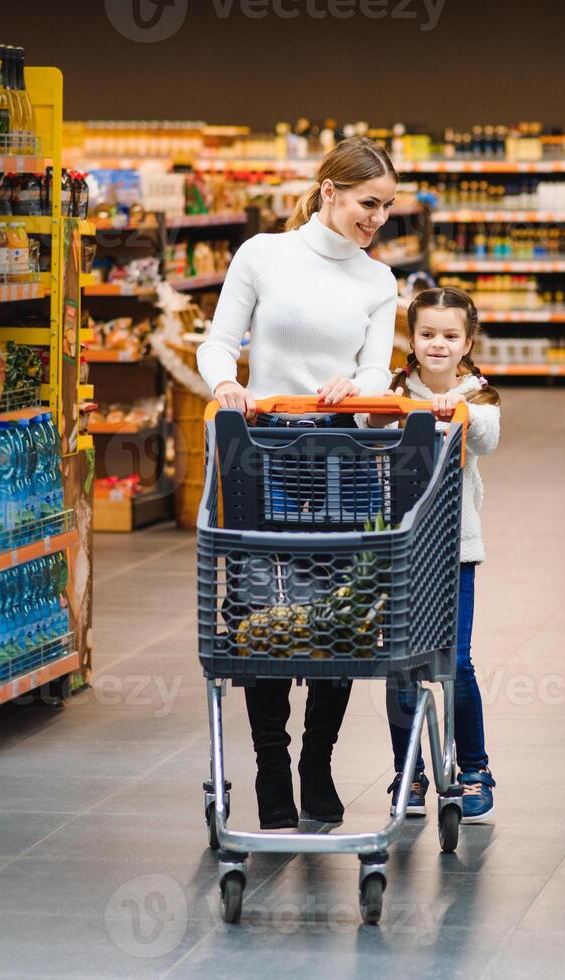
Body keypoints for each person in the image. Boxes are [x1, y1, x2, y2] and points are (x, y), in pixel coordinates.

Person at [196, 136, 399, 829]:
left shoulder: (379, 281)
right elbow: (219, 341)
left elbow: (377, 371)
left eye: (387, 208)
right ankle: (272, 765)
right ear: (330, 192)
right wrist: (225, 383)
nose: (377, 219)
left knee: (339, 615)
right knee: (263, 613)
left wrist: (359, 385)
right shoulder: (264, 255)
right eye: (368, 204)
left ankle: (319, 760)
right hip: (263, 451)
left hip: (341, 457)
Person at [366, 286, 501, 823]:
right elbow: (365, 422)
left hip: (452, 549)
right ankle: (409, 771)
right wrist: (392, 410)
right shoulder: (395, 387)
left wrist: (456, 410)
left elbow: (487, 437)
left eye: (449, 335)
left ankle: (473, 768)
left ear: (467, 341)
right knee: (401, 664)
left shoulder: (480, 393)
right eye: (426, 334)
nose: (437, 344)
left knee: (455, 662)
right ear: (412, 338)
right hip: (397, 547)